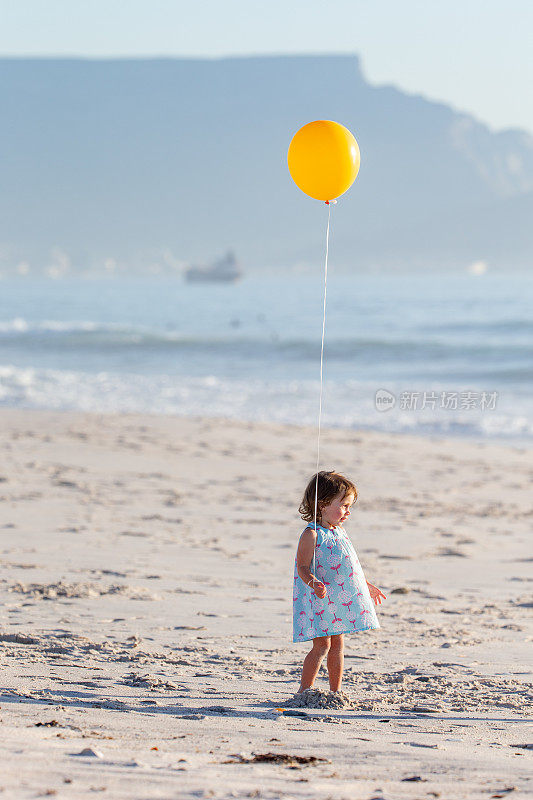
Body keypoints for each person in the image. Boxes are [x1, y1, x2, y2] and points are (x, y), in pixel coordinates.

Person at [293, 470, 386, 693]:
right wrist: (313, 582)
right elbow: (302, 566)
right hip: (320, 598)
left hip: (339, 600)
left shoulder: (339, 532)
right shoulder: (312, 534)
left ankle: (336, 691)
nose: (348, 512)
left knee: (338, 645)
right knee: (321, 646)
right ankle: (304, 690)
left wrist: (366, 585)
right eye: (343, 505)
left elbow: (349, 566)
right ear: (323, 504)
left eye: (349, 506)